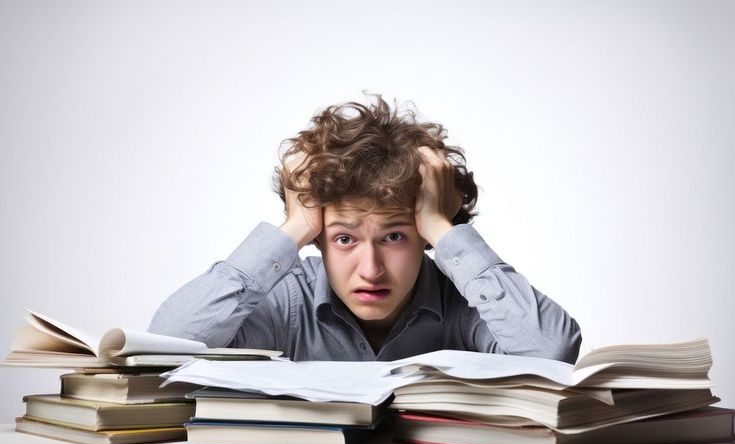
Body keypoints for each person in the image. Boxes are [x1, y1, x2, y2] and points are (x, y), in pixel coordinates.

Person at [148, 95, 582, 363]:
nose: (370, 269)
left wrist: (442, 226)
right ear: (317, 238)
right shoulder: (289, 299)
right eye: (345, 239)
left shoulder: (467, 306)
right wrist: (295, 225)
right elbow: (167, 344)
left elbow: (551, 352)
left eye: (394, 236)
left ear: (425, 240)